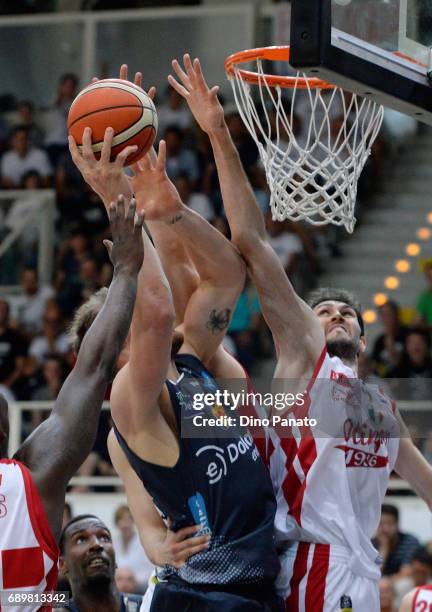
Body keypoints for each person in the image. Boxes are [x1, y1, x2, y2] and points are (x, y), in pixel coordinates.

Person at [168, 53, 432, 612]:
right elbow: (252, 244)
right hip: (312, 564)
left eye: (346, 313)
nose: (335, 314)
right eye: (324, 310)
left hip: (361, 570)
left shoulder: (381, 408)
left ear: (363, 340)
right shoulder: (306, 363)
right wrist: (219, 133)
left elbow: (427, 484)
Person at [68, 64, 282, 611]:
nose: (137, 328)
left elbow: (228, 279)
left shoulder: (187, 363)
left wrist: (166, 209)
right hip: (206, 595)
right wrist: (118, 198)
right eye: (125, 328)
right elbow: (159, 309)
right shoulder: (129, 402)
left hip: (254, 583)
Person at [0, 194, 143, 606]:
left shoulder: (28, 477)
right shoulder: (33, 475)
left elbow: (94, 368)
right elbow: (93, 368)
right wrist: (127, 271)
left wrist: (129, 272)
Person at [58, 514, 143, 612]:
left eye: (104, 538)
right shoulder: (55, 606)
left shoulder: (147, 606)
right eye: (81, 540)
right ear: (62, 564)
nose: (97, 544)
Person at [112, 505, 153, 588]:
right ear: (116, 523)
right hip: (119, 586)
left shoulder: (143, 543)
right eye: (121, 520)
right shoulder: (113, 543)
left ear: (133, 521)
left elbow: (150, 570)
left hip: (140, 586)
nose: (125, 524)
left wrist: (131, 579)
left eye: (128, 519)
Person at [374, 504, 421, 576]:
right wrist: (384, 549)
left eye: (390, 524)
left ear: (397, 523)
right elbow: (375, 571)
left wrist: (388, 582)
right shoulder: (370, 544)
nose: (385, 529)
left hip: (399, 582)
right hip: (378, 582)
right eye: (381, 524)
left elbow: (406, 572)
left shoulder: (409, 541)